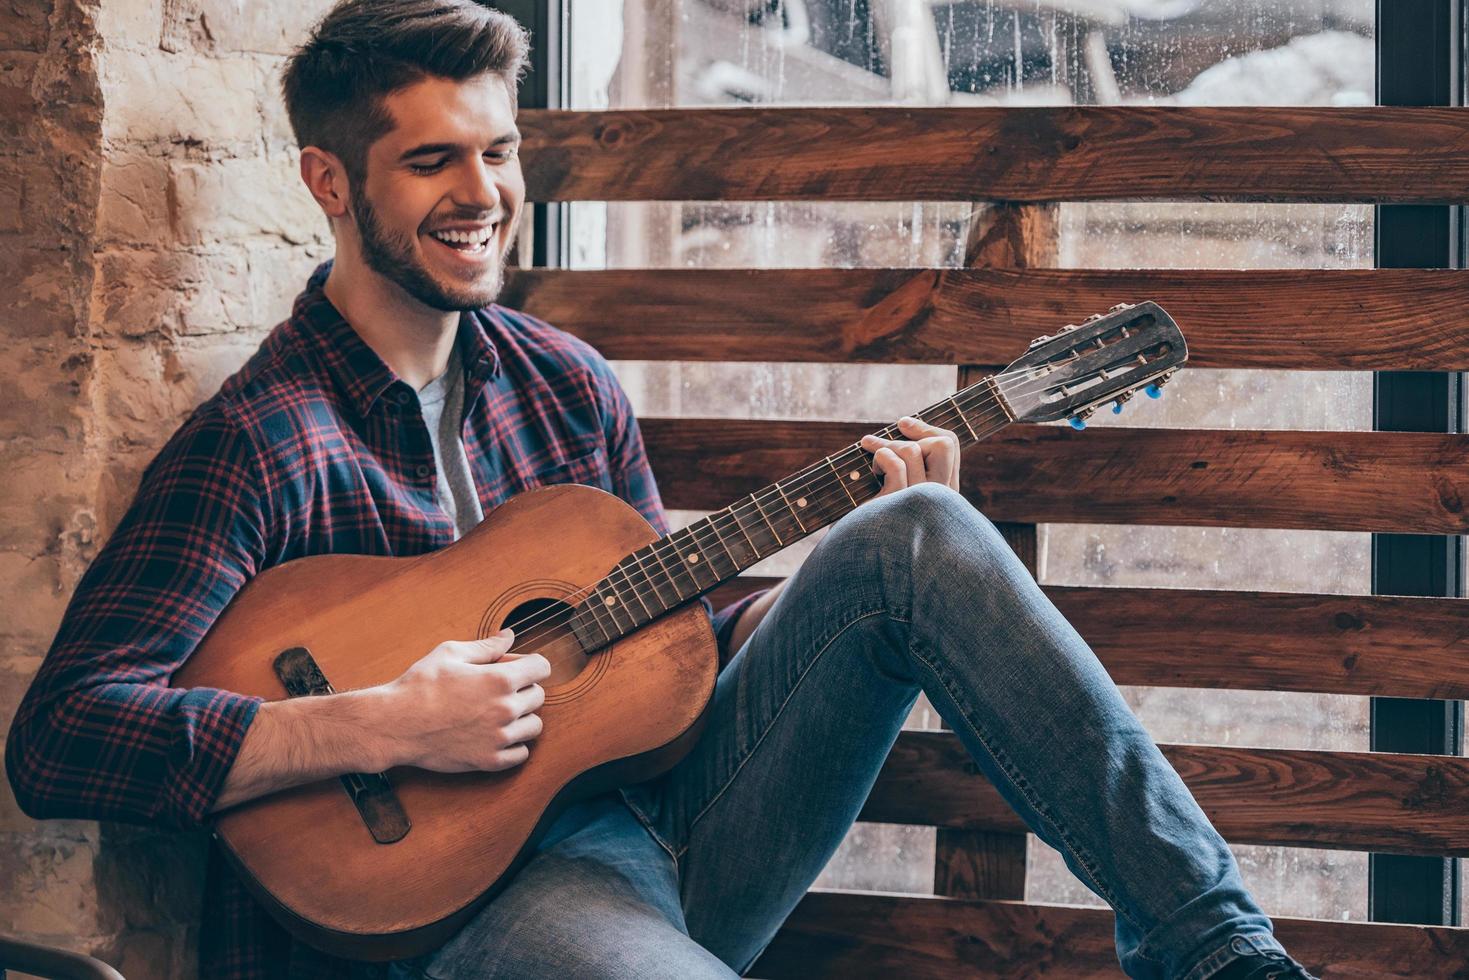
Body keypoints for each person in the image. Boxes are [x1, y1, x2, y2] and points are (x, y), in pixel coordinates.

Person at [6, 2, 1319, 978]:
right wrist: (380, 727)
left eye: (501, 152)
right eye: (434, 163)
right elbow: (64, 738)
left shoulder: (564, 384)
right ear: (327, 181)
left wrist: (823, 570)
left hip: (673, 824)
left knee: (916, 528)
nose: (485, 195)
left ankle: (1221, 955)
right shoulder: (259, 442)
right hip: (476, 909)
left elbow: (659, 648)